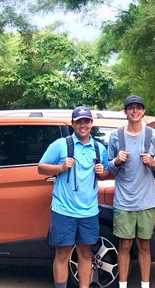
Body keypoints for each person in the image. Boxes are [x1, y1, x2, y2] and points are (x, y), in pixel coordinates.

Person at [38, 105, 109, 288]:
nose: (83, 125)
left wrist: (103, 172)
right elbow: (41, 167)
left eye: (86, 121)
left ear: (92, 123)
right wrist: (60, 168)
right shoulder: (61, 145)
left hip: (89, 211)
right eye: (79, 122)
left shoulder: (99, 148)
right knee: (62, 254)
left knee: (85, 254)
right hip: (63, 211)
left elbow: (106, 173)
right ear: (72, 124)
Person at [107, 95, 155, 288]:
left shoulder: (153, 135)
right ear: (125, 112)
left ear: (143, 111)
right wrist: (116, 161)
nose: (135, 111)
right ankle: (122, 284)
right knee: (124, 245)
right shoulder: (116, 136)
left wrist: (153, 162)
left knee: (144, 245)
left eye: (138, 108)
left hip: (147, 201)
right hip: (123, 201)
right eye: (131, 108)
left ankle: (145, 284)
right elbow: (108, 168)